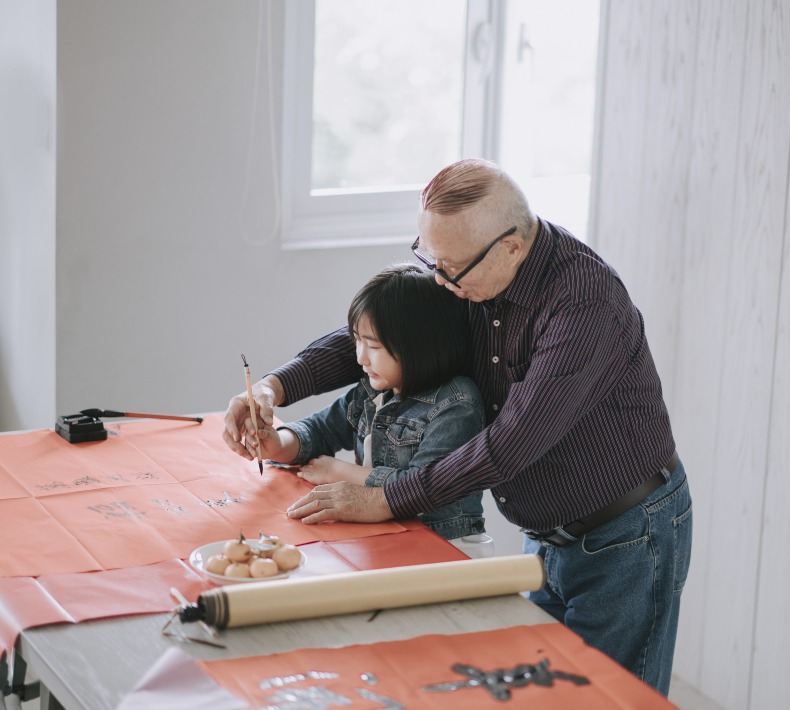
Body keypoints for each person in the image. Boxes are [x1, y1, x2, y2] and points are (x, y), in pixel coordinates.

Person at [223, 158, 692, 696]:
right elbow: (391, 330)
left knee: (611, 701)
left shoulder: (583, 303)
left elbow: (513, 443)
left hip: (627, 535)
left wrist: (386, 497)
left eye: (450, 268)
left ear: (512, 246)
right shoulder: (470, 273)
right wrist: (273, 388)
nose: (439, 280)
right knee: (550, 698)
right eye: (431, 259)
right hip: (551, 537)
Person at [247, 263, 491, 554]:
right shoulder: (370, 390)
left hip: (448, 547)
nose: (361, 358)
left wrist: (339, 471)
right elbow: (320, 430)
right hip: (385, 537)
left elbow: (419, 487)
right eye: (357, 341)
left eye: (373, 347)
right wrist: (276, 442)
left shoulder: (457, 403)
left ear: (420, 345)